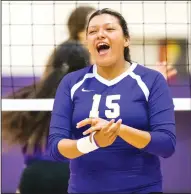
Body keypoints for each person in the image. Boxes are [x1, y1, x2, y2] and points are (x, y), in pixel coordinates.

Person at [47, 8, 176, 193]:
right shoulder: (71, 83)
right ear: (87, 43)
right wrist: (94, 142)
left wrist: (119, 130)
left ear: (126, 39)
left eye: (109, 29)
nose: (100, 35)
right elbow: (55, 148)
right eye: (92, 31)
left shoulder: (152, 80)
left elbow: (166, 145)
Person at [2, 40, 90, 194]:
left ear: (51, 64)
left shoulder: (32, 97)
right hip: (74, 174)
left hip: (34, 175)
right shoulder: (92, 98)